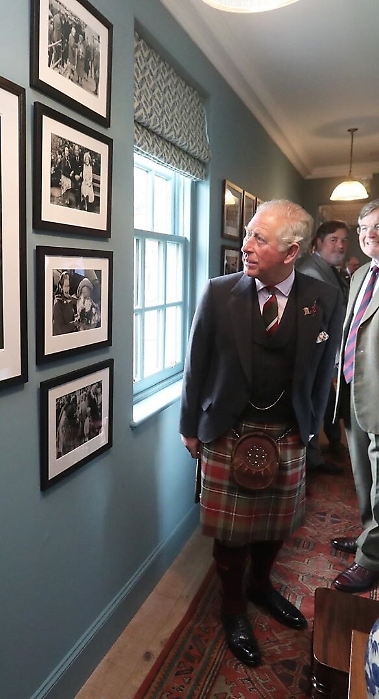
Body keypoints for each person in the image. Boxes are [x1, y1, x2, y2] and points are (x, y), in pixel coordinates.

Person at [179, 200, 343, 667]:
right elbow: (196, 366)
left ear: (291, 252)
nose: (245, 246)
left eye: (259, 238)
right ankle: (233, 607)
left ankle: (260, 585)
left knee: (277, 524)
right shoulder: (219, 293)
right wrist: (189, 427)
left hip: (289, 430)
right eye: (248, 233)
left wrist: (312, 427)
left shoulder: (324, 298)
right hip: (227, 429)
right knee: (231, 533)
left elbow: (323, 371)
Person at [331, 200, 379, 593]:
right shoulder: (362, 272)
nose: (369, 235)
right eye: (363, 228)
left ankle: (371, 560)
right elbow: (353, 328)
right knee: (363, 476)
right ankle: (370, 537)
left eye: (378, 227)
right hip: (353, 389)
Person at [296, 220, 350, 471]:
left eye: (344, 240)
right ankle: (310, 461)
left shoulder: (329, 269)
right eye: (333, 240)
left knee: (325, 401)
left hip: (328, 349)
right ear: (318, 242)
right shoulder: (311, 271)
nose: (340, 246)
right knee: (313, 402)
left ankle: (322, 451)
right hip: (314, 351)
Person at [52, 271, 77, 335]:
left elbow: (69, 318)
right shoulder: (57, 304)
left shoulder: (69, 300)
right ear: (61, 287)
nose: (67, 289)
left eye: (68, 286)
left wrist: (76, 317)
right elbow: (61, 329)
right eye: (65, 286)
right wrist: (74, 324)